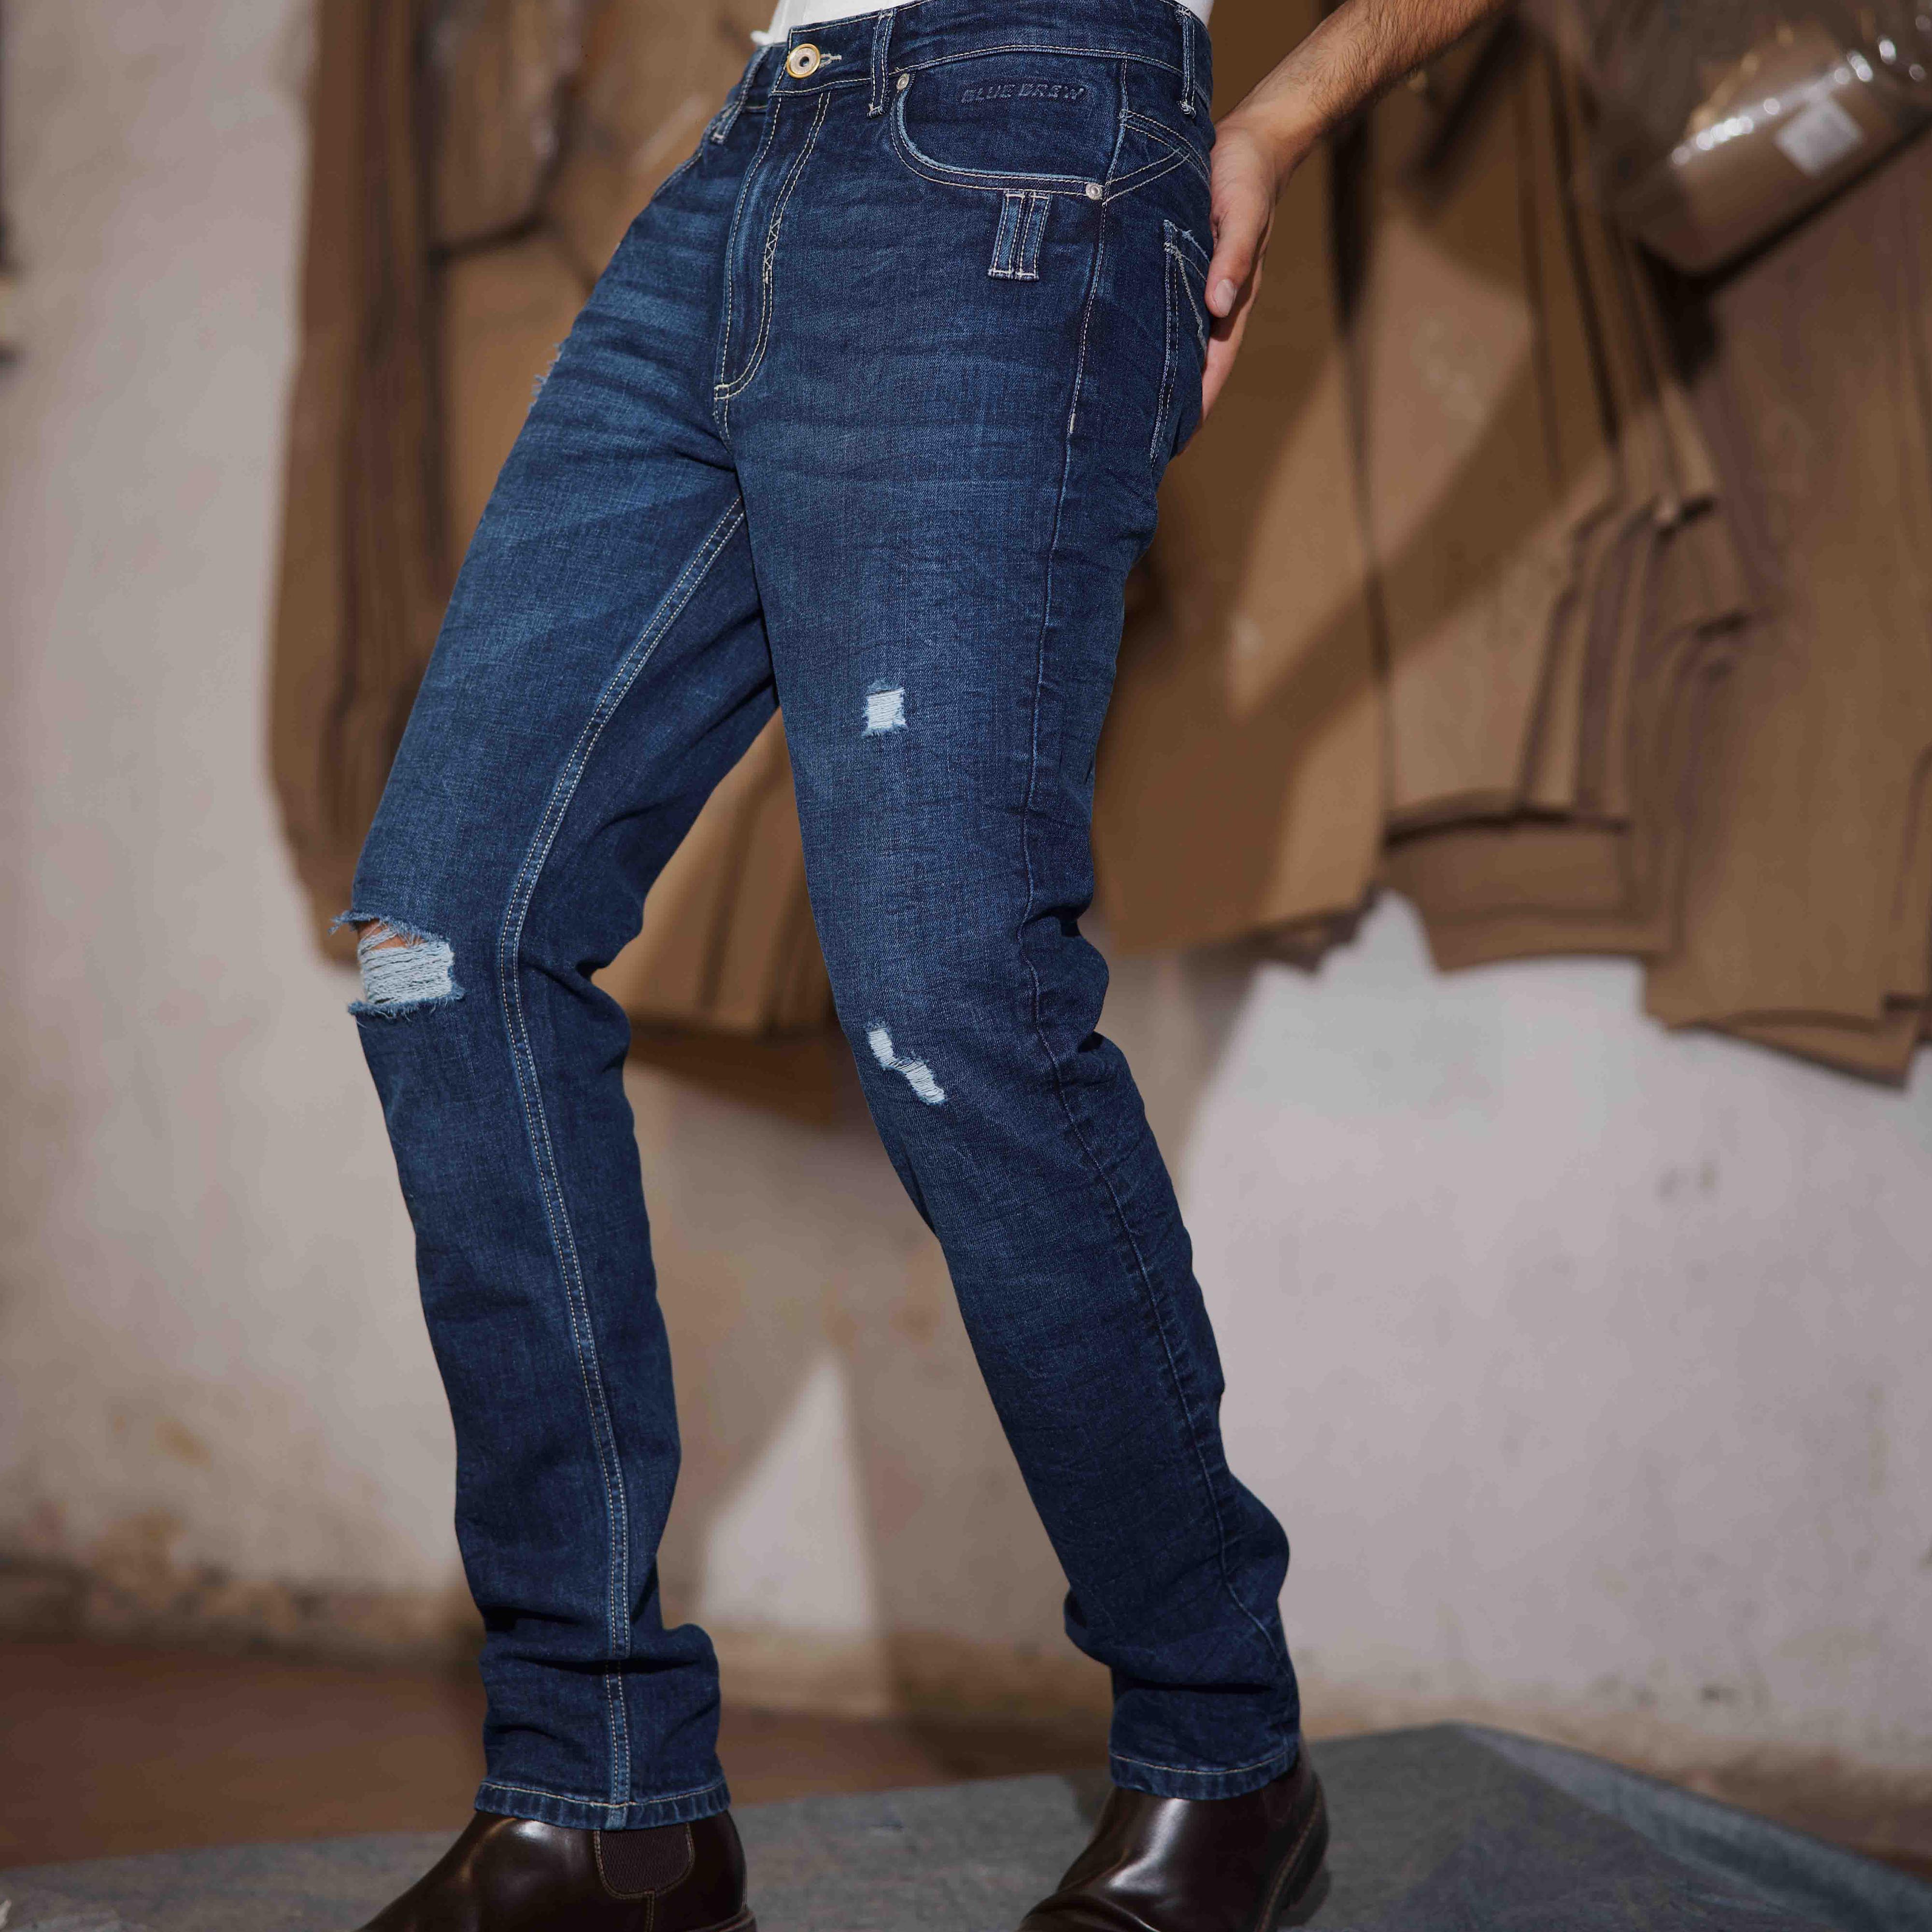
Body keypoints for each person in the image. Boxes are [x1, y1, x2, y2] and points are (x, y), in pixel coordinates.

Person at [345, 0, 1504, 1925]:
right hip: (750, 159)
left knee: (949, 998)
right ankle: (605, 1796)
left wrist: (1276, 123)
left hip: (1027, 158)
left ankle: (1219, 1752)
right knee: (443, 941)